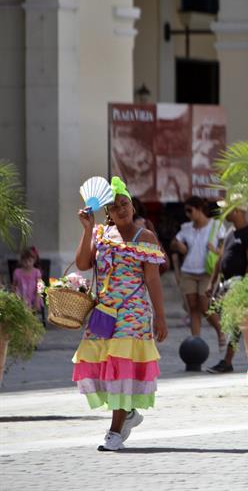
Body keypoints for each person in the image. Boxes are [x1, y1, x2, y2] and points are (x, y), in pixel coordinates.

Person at [72, 177, 168, 451]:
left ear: (133, 206)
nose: (121, 209)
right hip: (104, 313)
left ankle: (115, 431)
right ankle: (126, 413)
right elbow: (82, 263)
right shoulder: (101, 235)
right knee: (101, 366)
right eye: (114, 207)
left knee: (120, 369)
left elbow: (153, 280)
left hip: (133, 314)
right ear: (108, 214)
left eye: (124, 203)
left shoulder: (144, 237)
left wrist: (160, 316)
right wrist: (87, 229)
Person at [206, 195, 248, 373]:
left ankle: (229, 361)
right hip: (225, 285)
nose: (223, 212)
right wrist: (212, 283)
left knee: (236, 324)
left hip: (239, 285)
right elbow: (220, 259)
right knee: (228, 321)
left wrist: (246, 289)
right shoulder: (230, 232)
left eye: (227, 208)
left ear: (237, 211)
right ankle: (229, 360)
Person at [171, 196, 226, 348]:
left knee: (205, 305)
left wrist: (215, 250)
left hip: (207, 271)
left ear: (199, 209)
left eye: (190, 210)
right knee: (193, 307)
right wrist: (178, 245)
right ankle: (196, 341)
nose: (188, 214)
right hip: (188, 271)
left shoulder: (216, 226)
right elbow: (173, 243)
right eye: (186, 211)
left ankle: (221, 331)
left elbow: (223, 248)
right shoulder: (186, 227)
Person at [12, 248, 44, 314]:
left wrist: (37, 299)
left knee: (32, 310)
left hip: (34, 297)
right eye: (25, 261)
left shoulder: (36, 272)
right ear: (21, 261)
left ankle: (31, 320)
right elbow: (14, 285)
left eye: (30, 261)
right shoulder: (17, 272)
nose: (27, 263)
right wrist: (15, 296)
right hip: (21, 297)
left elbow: (40, 287)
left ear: (34, 260)